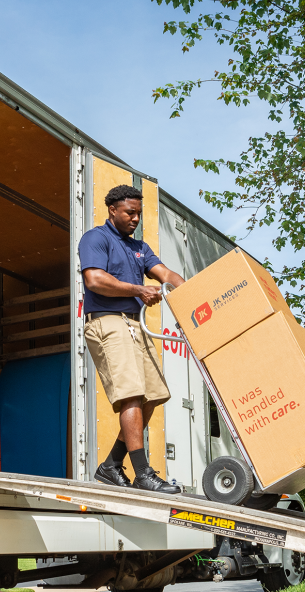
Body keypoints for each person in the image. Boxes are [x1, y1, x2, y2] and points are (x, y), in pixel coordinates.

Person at [78, 184, 185, 493]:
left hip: (135, 324)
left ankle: (111, 465)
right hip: (107, 321)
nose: (136, 218)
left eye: (138, 213)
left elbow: (166, 275)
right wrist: (139, 289)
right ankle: (142, 473)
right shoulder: (96, 238)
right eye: (130, 212)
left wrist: (190, 295)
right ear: (113, 210)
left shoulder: (140, 247)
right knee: (132, 395)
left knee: (154, 394)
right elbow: (94, 280)